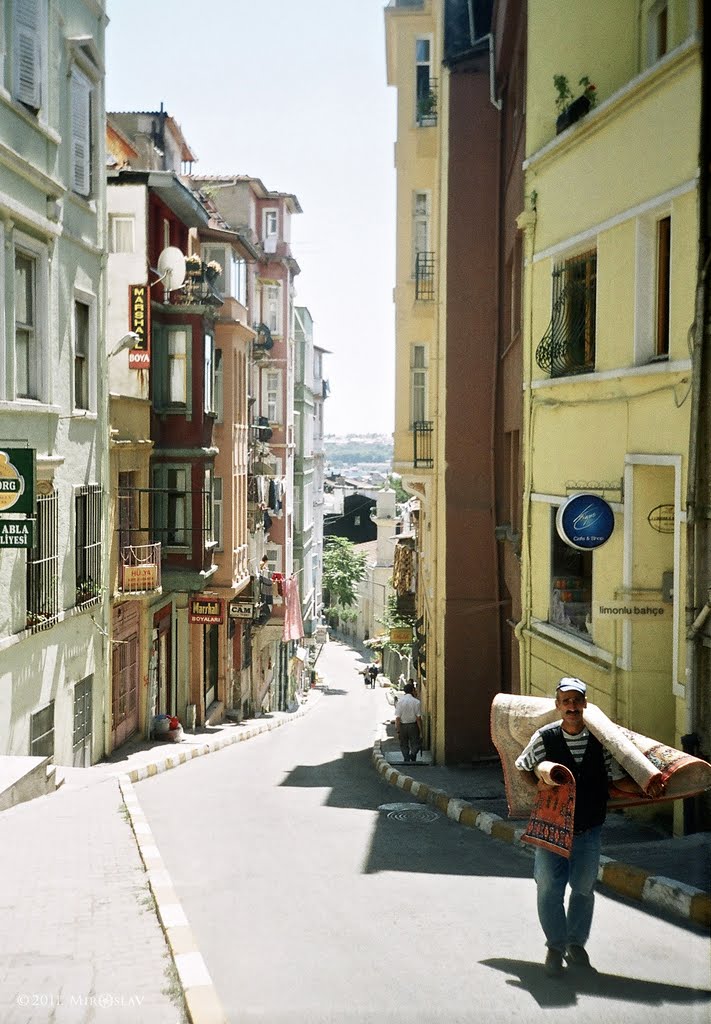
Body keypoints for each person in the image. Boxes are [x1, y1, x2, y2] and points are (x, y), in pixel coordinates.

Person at [515, 677, 664, 977]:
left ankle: (576, 943)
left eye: (576, 700)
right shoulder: (545, 738)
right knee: (548, 888)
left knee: (583, 889)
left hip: (589, 828)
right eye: (566, 701)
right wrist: (541, 789)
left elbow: (615, 777)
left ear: (585, 704)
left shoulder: (600, 740)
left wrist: (647, 787)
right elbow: (523, 766)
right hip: (551, 828)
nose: (571, 706)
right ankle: (555, 948)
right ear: (558, 706)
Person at [395, 681, 422, 764]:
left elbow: (398, 718)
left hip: (403, 726)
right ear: (412, 691)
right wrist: (421, 730)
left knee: (403, 743)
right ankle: (413, 754)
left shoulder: (399, 702)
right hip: (413, 726)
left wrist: (398, 729)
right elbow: (418, 717)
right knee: (415, 742)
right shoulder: (416, 702)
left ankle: (406, 758)